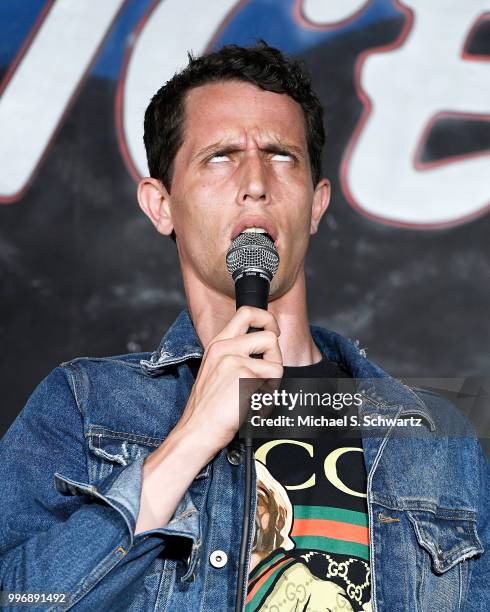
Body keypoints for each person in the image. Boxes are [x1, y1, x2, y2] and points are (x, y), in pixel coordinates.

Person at [0, 42, 488, 612]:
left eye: (282, 156)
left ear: (316, 202)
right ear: (161, 205)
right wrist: (189, 439)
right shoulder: (87, 406)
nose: (255, 181)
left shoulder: (433, 436)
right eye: (221, 156)